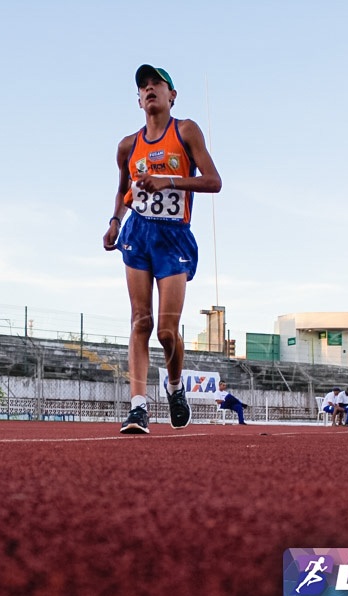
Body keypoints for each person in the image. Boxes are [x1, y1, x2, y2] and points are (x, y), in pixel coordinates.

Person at [104, 64, 222, 434]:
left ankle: (174, 387)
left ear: (172, 95)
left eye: (157, 83)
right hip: (138, 233)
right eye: (143, 86)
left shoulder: (185, 130)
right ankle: (138, 407)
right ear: (138, 100)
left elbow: (214, 181)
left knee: (167, 332)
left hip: (174, 237)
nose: (150, 89)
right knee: (141, 320)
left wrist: (167, 181)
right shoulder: (127, 146)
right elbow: (124, 191)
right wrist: (114, 222)